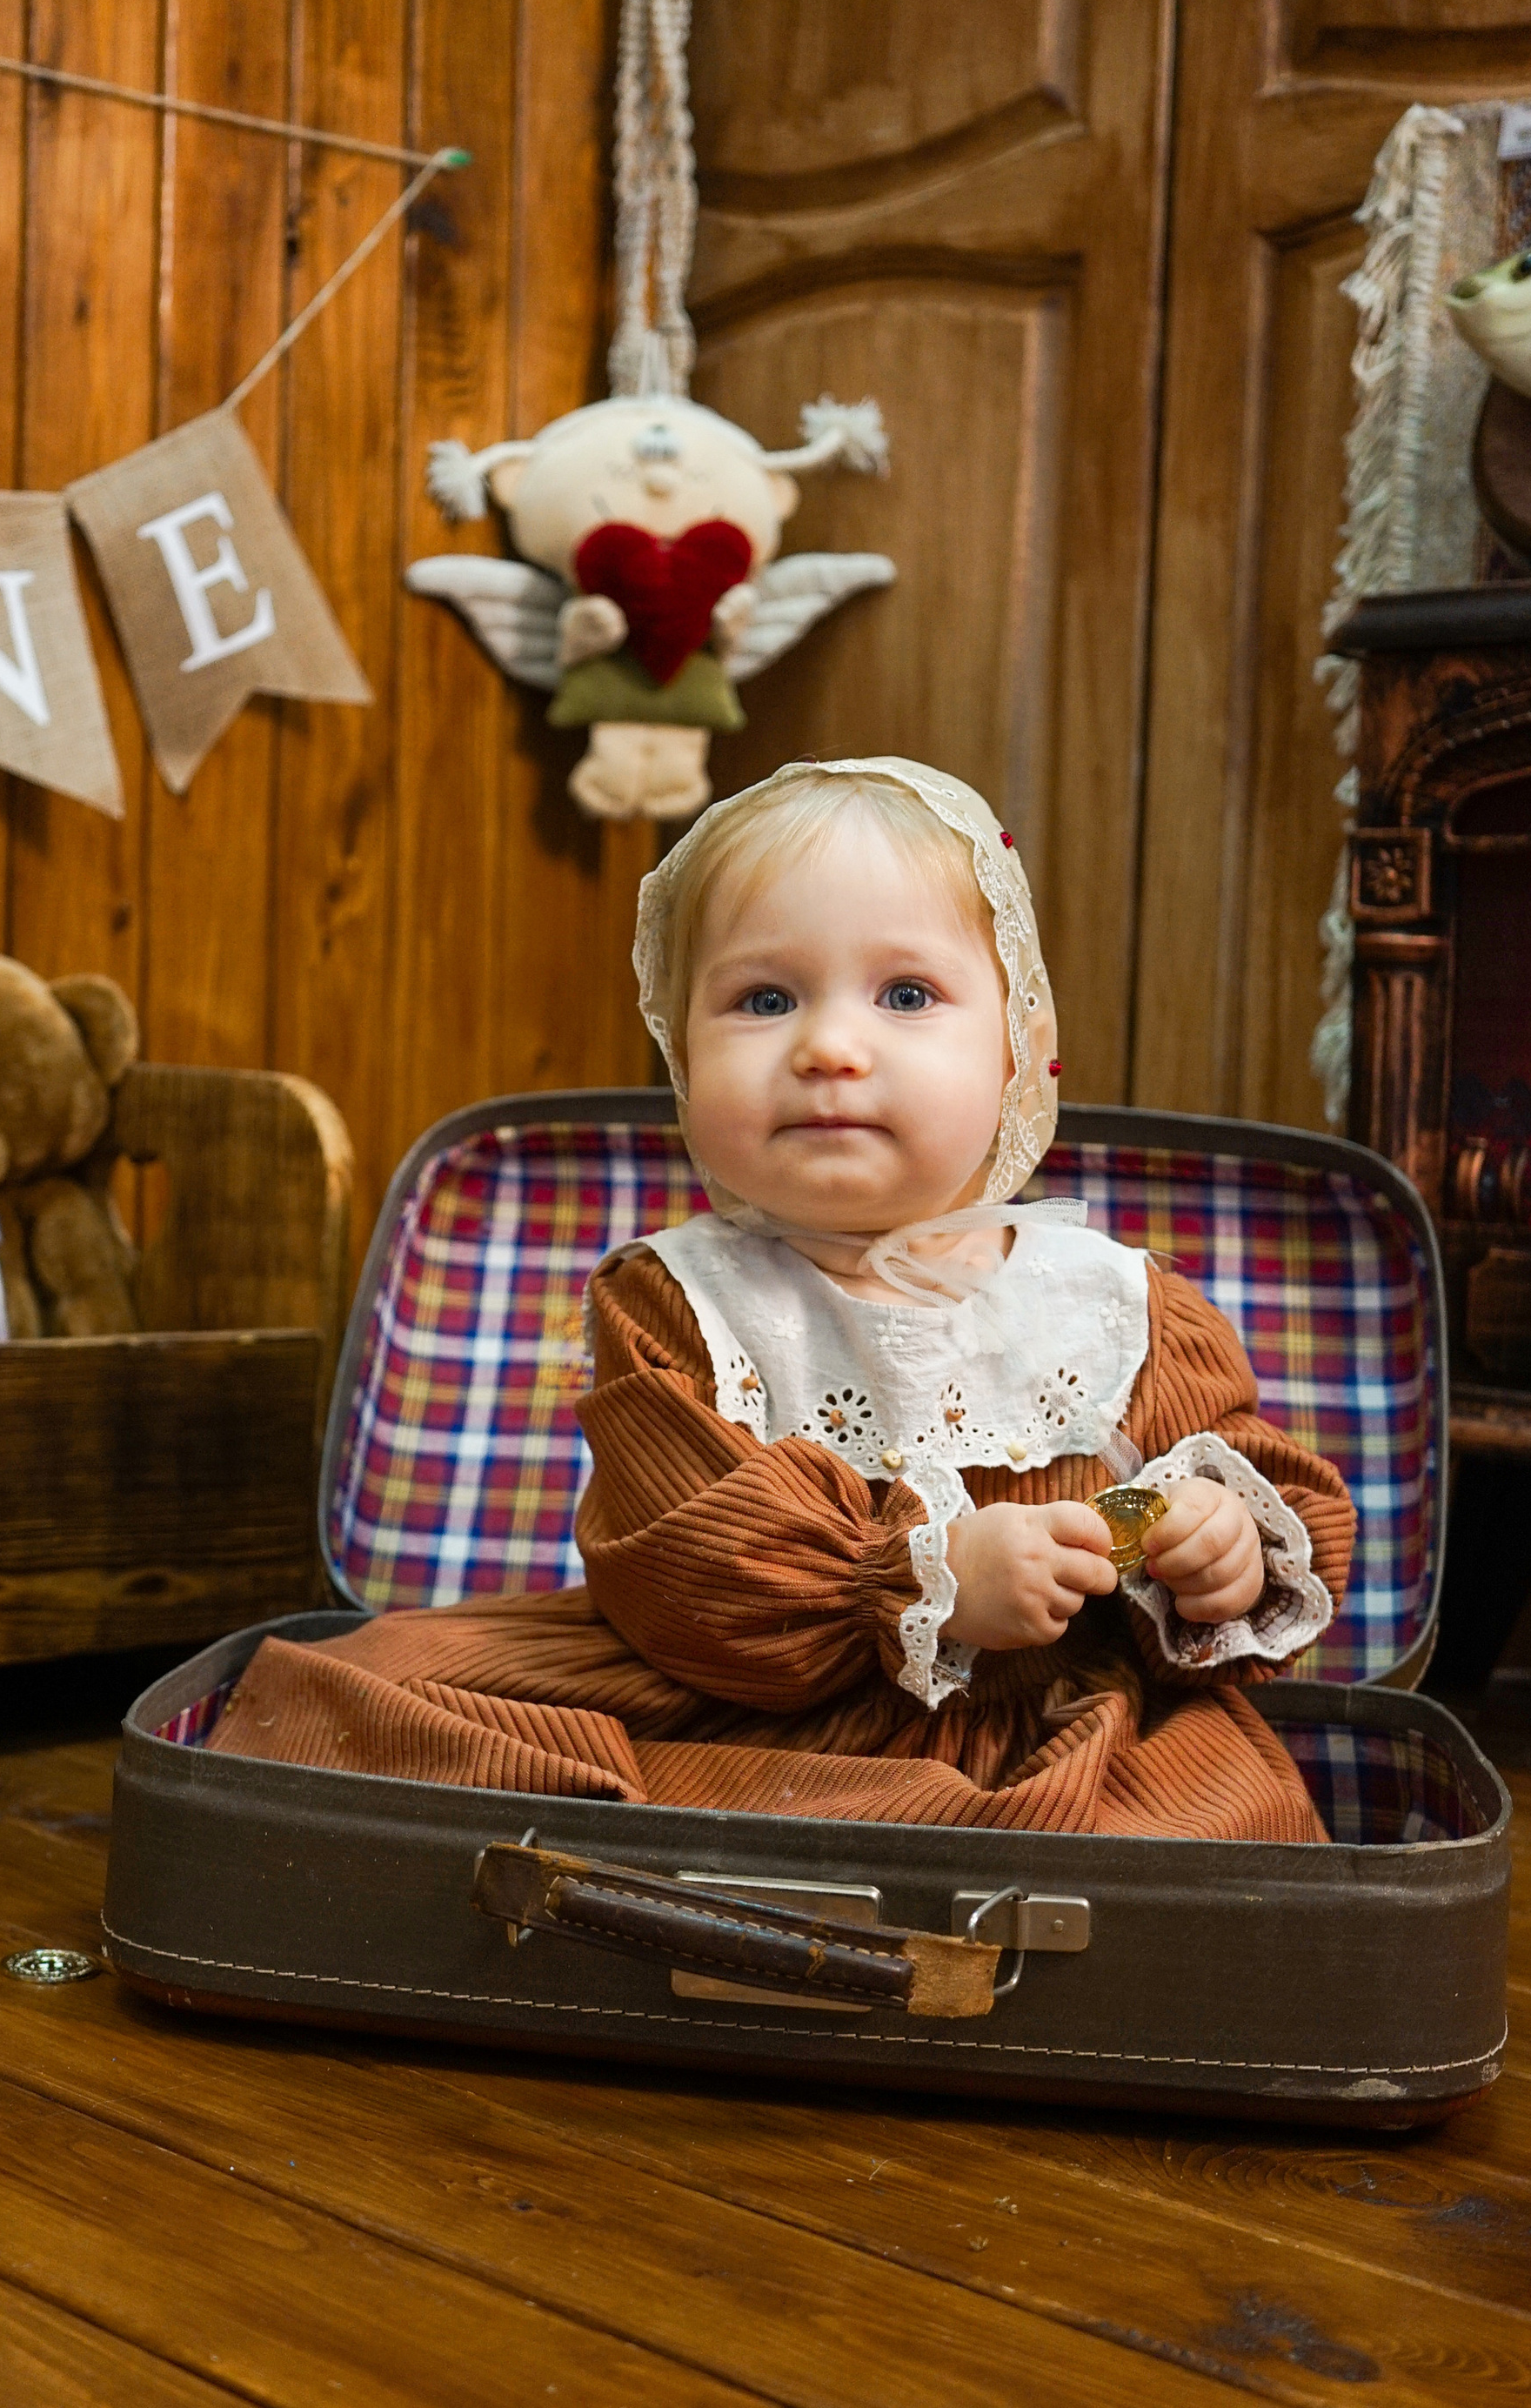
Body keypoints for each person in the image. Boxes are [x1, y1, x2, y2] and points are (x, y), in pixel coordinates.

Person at [212, 758, 1353, 1837]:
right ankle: (669, 1833)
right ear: (681, 1054)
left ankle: (786, 1845)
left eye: (907, 993)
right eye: (763, 1000)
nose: (830, 1047)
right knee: (345, 1690)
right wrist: (925, 1580)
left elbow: (1236, 1486)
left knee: (1220, 1813)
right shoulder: (677, 1298)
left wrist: (1220, 1553)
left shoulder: (1113, 1303)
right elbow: (682, 1570)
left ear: (1016, 1050)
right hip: (732, 1711)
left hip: (1047, 1724)